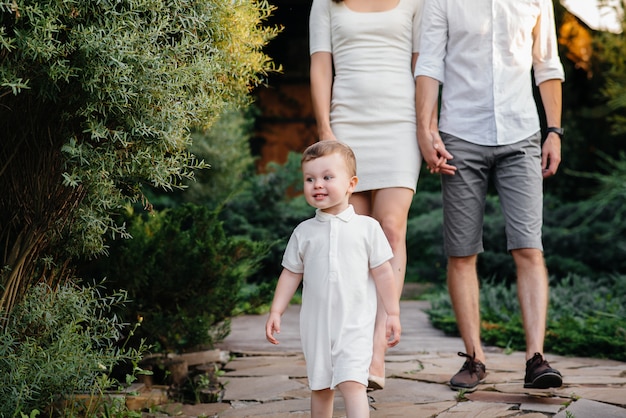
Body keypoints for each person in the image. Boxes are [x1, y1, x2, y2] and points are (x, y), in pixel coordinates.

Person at [414, 0, 565, 391]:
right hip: (460, 135)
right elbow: (429, 64)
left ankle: (536, 359)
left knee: (529, 247)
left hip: (522, 134)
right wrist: (425, 131)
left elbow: (547, 63)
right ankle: (474, 358)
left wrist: (554, 131)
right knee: (461, 251)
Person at [309, 0, 423, 389]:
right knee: (349, 237)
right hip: (346, 124)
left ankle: (376, 351)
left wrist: (427, 126)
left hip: (400, 123)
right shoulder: (325, 2)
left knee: (390, 230)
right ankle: (350, 348)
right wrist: (325, 128)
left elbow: (422, 65)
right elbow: (321, 64)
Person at [265, 141, 401, 417]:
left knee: (353, 383)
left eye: (327, 177)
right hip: (316, 328)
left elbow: (384, 272)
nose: (317, 184)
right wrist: (276, 310)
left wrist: (393, 313)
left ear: (351, 184)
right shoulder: (304, 232)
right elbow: (291, 272)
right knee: (321, 387)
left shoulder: (367, 228)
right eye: (310, 178)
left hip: (355, 325)